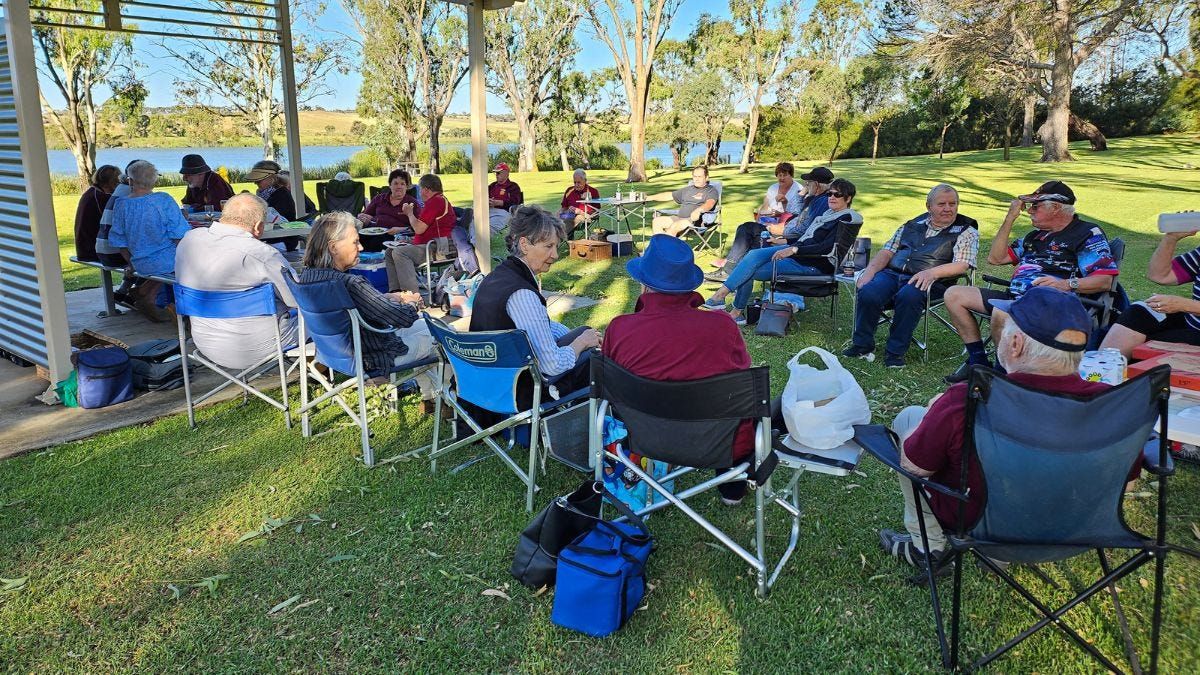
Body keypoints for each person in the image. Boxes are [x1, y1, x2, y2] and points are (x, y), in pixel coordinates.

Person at [877, 287, 1137, 575]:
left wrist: (935, 417)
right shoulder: (1114, 405)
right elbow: (1126, 485)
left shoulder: (967, 399)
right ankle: (995, 558)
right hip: (1074, 532)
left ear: (1015, 344)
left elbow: (913, 466)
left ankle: (929, 548)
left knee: (910, 418)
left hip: (980, 524)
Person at [605, 234, 781, 505]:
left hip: (642, 438)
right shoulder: (723, 326)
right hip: (720, 444)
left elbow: (611, 387)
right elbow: (738, 375)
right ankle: (731, 488)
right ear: (688, 285)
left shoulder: (619, 329)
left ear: (644, 284)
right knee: (742, 408)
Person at [942, 181, 1117, 383]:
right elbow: (995, 258)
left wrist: (1065, 284)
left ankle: (1004, 374)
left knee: (1003, 311)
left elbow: (1104, 281)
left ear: (1057, 208)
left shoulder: (1086, 234)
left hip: (1056, 303)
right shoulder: (1035, 236)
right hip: (1018, 297)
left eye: (1036, 206)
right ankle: (979, 363)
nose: (1030, 211)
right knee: (954, 294)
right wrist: (1010, 218)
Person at [297, 211, 438, 408]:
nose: (361, 247)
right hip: (374, 357)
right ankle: (439, 401)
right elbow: (400, 318)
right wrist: (412, 302)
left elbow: (357, 309)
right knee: (440, 336)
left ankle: (430, 398)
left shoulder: (307, 278)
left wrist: (386, 298)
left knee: (427, 326)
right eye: (355, 242)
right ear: (333, 247)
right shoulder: (350, 283)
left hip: (335, 354)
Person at [470, 205, 601, 397]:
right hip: (514, 392)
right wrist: (581, 343)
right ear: (524, 244)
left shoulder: (497, 276)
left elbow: (537, 325)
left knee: (585, 333)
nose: (555, 255)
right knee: (595, 359)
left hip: (490, 378)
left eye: (556, 246)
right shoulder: (522, 294)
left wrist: (582, 335)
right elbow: (553, 365)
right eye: (548, 246)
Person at [843, 184, 979, 368]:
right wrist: (869, 271)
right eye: (941, 204)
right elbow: (888, 251)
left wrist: (931, 272)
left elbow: (962, 264)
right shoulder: (913, 224)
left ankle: (895, 353)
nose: (948, 208)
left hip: (933, 280)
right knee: (868, 292)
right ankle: (862, 345)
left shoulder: (966, 230)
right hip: (893, 274)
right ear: (928, 206)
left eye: (952, 203)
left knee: (908, 297)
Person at [704, 178, 862, 323]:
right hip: (800, 253)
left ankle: (733, 310)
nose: (832, 197)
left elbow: (825, 247)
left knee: (750, 269)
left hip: (813, 263)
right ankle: (723, 299)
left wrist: (793, 250)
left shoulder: (845, 219)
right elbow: (807, 238)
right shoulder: (829, 214)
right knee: (751, 255)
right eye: (830, 193)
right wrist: (786, 241)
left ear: (848, 199)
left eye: (838, 194)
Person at [174, 193, 298, 371]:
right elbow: (297, 299)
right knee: (329, 312)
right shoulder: (262, 253)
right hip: (260, 347)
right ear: (258, 226)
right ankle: (326, 375)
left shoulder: (189, 240)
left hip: (206, 344)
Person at [108, 160, 193, 321]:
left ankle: (146, 293)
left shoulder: (121, 204)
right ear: (154, 180)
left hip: (139, 262)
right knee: (194, 259)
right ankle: (184, 312)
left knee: (167, 262)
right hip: (166, 260)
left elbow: (118, 239)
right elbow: (179, 233)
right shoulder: (162, 200)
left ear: (130, 180)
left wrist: (131, 262)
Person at [1100, 228, 1200, 357]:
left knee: (1149, 345)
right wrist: (1171, 238)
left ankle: (1116, 370)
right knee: (1138, 313)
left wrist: (1184, 305)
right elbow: (1159, 275)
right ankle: (1101, 370)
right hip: (1192, 322)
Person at [705, 162, 805, 283]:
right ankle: (730, 269)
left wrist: (784, 203)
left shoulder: (798, 191)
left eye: (785, 175)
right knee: (746, 228)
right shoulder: (773, 188)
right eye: (779, 175)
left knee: (746, 229)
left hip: (781, 228)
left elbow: (794, 216)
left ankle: (728, 269)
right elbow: (764, 206)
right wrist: (762, 214)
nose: (782, 178)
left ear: (791, 175)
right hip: (768, 222)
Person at [384, 173, 458, 293]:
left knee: (400, 253)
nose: (419, 193)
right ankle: (396, 292)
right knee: (390, 252)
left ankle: (413, 296)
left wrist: (409, 213)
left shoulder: (436, 201)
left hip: (439, 248)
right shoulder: (435, 201)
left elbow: (419, 229)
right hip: (430, 245)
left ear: (426, 190)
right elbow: (424, 230)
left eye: (420, 189)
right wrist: (409, 240)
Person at [649, 165, 719, 237]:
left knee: (674, 227)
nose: (696, 179)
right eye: (695, 176)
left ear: (706, 177)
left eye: (699, 177)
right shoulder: (688, 189)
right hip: (678, 218)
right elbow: (670, 195)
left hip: (693, 222)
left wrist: (699, 210)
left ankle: (667, 246)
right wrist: (649, 197)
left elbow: (710, 203)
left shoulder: (711, 190)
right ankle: (660, 246)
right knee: (657, 221)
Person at [73, 165, 121, 262]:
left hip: (86, 248)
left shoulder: (92, 193)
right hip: (92, 251)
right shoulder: (101, 197)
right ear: (110, 182)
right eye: (117, 182)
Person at [245, 160, 315, 222]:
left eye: (259, 180)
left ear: (272, 179)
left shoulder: (282, 195)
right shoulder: (268, 194)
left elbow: (278, 220)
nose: (255, 183)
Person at [358, 169, 418, 233]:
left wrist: (402, 229)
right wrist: (363, 218)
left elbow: (419, 226)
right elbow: (366, 216)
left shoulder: (412, 203)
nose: (399, 187)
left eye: (402, 184)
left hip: (399, 237)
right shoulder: (379, 199)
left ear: (407, 186)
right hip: (375, 233)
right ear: (390, 185)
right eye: (395, 183)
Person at [559, 168, 600, 236]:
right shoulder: (569, 190)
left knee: (573, 219)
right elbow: (564, 207)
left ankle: (559, 238)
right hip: (569, 215)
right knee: (554, 219)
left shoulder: (593, 191)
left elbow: (596, 211)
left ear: (585, 180)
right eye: (575, 182)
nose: (576, 185)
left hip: (584, 217)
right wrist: (557, 215)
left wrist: (580, 212)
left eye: (579, 182)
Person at [487, 162, 524, 233]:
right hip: (489, 210)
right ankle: (474, 240)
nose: (496, 175)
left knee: (491, 225)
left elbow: (515, 203)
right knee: (475, 219)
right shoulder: (492, 186)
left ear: (506, 173)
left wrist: (499, 203)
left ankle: (481, 240)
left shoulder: (513, 186)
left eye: (498, 173)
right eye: (495, 173)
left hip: (504, 212)